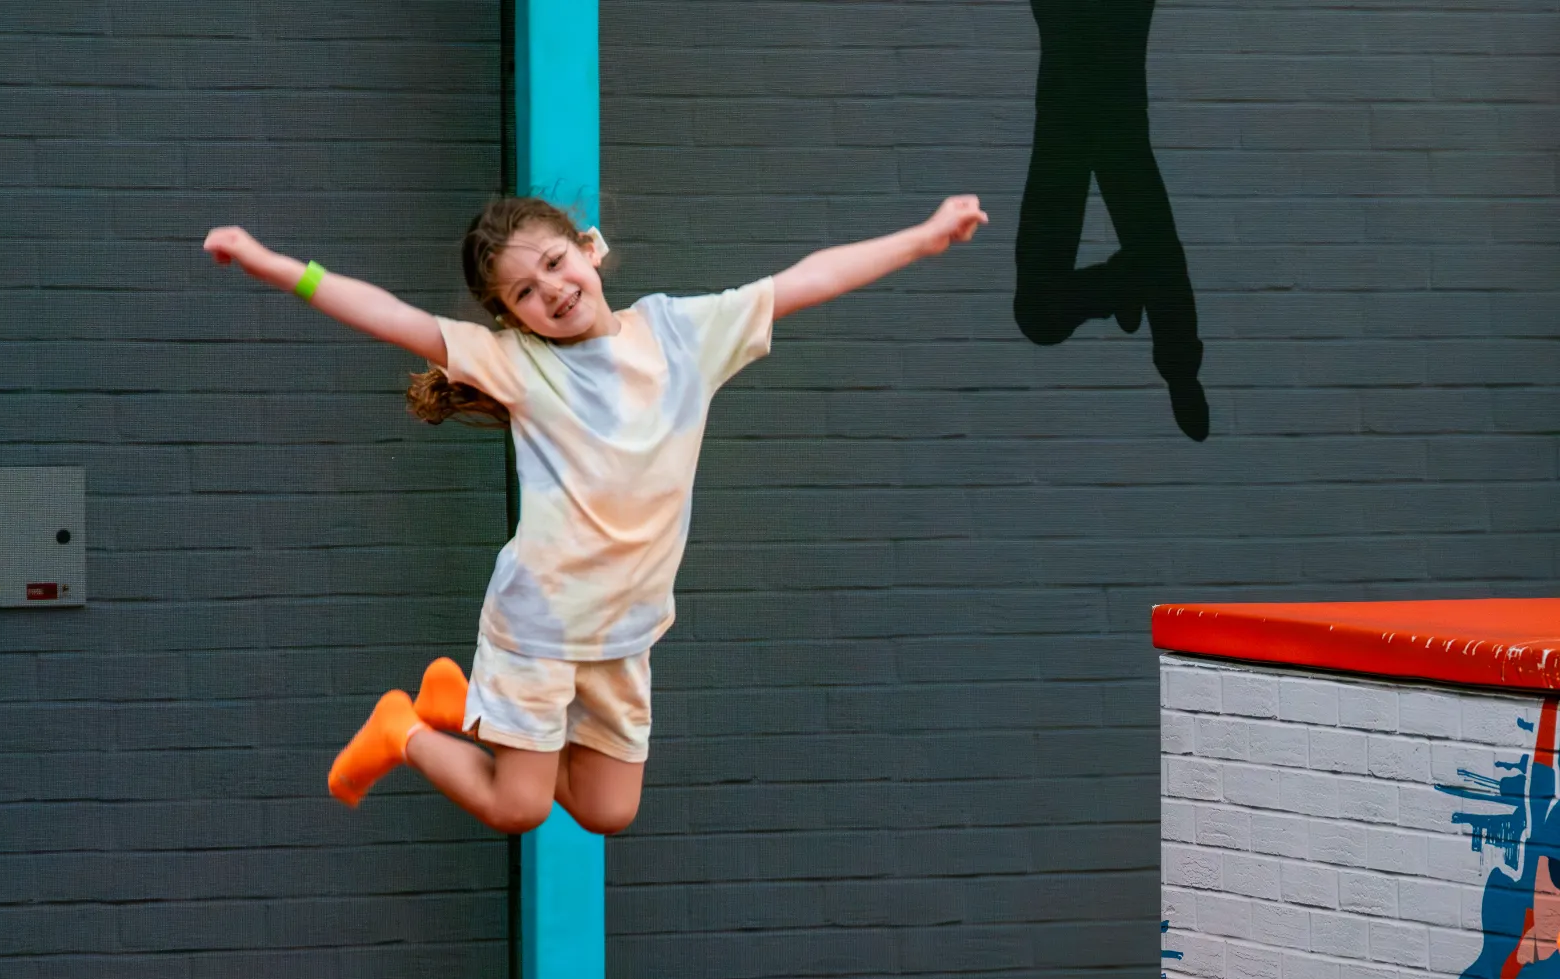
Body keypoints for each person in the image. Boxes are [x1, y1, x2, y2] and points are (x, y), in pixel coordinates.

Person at [202, 193, 988, 835]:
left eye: (555, 262)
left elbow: (809, 279)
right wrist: (275, 268)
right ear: (512, 317)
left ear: (588, 247)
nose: (553, 289)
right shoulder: (517, 363)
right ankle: (402, 729)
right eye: (526, 292)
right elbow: (387, 317)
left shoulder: (685, 335)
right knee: (520, 807)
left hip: (626, 630)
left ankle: (467, 710)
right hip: (539, 625)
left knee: (610, 811)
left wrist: (924, 237)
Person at [1013, 0, 1209, 441]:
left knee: (1039, 312)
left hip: (1089, 122)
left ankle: (1141, 296)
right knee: (1038, 313)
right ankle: (1135, 285)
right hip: (1079, 123)